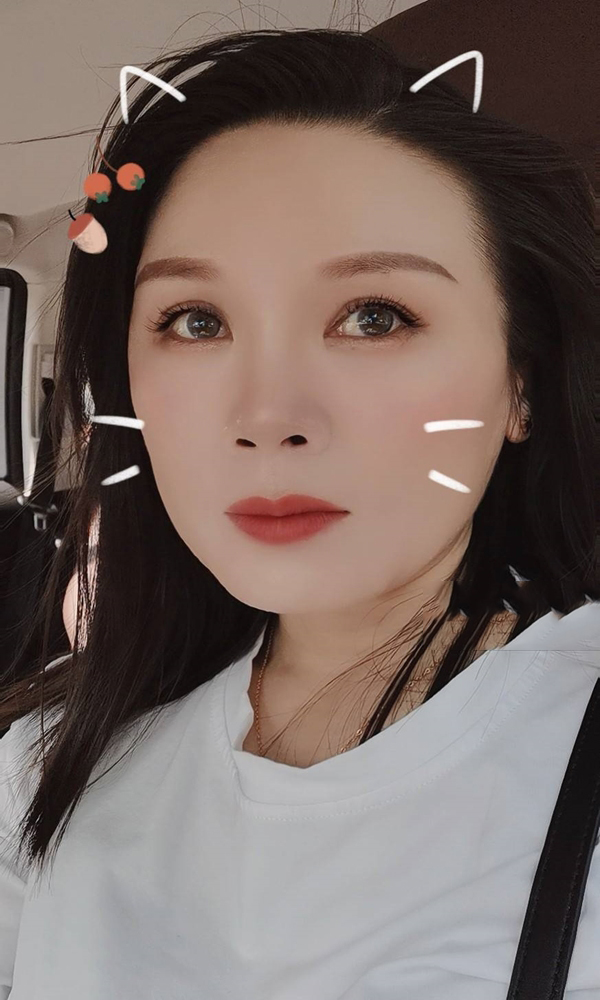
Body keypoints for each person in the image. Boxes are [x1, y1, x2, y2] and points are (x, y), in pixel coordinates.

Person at [1, 26, 598, 1000]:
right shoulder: (49, 762)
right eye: (196, 321)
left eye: (374, 316)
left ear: (521, 384)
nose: (267, 416)